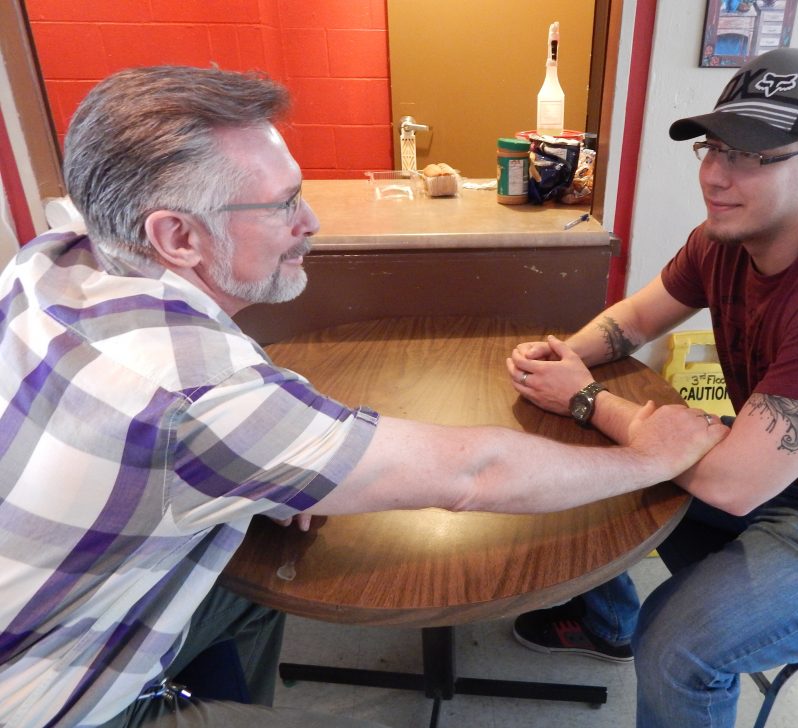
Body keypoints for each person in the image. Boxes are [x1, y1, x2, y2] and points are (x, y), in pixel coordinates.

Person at [0, 66, 728, 728]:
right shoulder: (199, 395)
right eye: (283, 204)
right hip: (56, 702)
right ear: (177, 236)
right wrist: (648, 457)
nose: (309, 222)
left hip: (48, 613)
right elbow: (475, 475)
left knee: (246, 601)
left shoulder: (45, 265)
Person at [505, 47, 798, 727]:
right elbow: (633, 320)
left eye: (755, 155)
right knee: (589, 473)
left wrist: (585, 398)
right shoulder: (725, 237)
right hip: (788, 472)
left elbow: (732, 484)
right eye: (715, 147)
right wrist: (557, 360)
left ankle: (635, 633)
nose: (718, 176)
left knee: (677, 646)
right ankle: (605, 622)